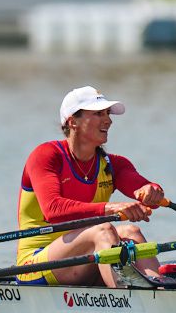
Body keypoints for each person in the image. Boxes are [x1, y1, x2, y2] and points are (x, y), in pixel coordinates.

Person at [16, 86, 166, 289]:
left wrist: (151, 190)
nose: (108, 120)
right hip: (34, 264)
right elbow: (53, 210)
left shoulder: (114, 164)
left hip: (84, 260)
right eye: (98, 114)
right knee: (103, 231)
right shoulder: (46, 156)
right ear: (72, 121)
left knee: (132, 231)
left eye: (107, 113)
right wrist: (111, 209)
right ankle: (127, 302)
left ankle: (160, 290)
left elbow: (143, 187)